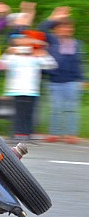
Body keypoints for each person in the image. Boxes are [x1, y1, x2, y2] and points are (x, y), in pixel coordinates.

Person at [0, 34, 56, 140]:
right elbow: (0, 65)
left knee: (29, 112)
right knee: (18, 112)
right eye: (20, 41)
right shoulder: (12, 56)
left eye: (26, 41)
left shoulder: (35, 56)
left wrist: (44, 54)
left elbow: (51, 65)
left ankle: (27, 133)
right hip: (15, 90)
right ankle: (16, 133)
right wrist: (7, 52)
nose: (23, 44)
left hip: (31, 90)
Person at [38, 11, 85, 144]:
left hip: (72, 81)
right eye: (63, 27)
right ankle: (55, 133)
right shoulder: (52, 41)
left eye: (69, 27)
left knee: (72, 109)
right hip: (54, 81)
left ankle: (71, 134)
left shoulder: (76, 44)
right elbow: (41, 29)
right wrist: (53, 18)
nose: (66, 29)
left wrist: (82, 79)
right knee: (55, 109)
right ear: (57, 29)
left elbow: (78, 62)